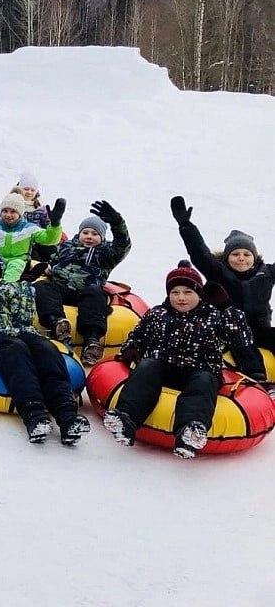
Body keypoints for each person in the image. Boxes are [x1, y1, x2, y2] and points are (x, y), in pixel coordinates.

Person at [102, 261, 257, 458]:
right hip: (163, 367)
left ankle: (189, 431)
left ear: (199, 294)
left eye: (188, 292)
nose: (181, 298)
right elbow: (137, 335)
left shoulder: (213, 316)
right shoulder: (158, 314)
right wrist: (131, 348)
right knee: (147, 367)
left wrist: (226, 306)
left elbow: (242, 339)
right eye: (175, 292)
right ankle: (127, 418)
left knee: (203, 382)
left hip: (200, 369)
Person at [0, 251, 90, 445]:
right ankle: (35, 415)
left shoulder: (8, 290)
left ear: (0, 276)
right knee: (16, 351)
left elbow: (24, 318)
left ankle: (67, 416)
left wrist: (26, 289)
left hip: (21, 331)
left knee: (46, 349)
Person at [171, 196, 275, 382]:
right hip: (227, 329)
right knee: (241, 342)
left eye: (246, 254)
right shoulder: (218, 271)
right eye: (235, 254)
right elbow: (199, 252)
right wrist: (186, 225)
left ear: (254, 257)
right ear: (227, 257)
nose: (241, 258)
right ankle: (258, 379)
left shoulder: (266, 273)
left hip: (259, 329)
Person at [34, 201, 131, 365]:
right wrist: (48, 269)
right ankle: (57, 322)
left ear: (102, 237)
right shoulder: (66, 247)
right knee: (43, 287)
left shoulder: (105, 253)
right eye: (85, 232)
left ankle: (91, 339)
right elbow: (54, 261)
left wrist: (117, 222)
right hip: (62, 287)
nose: (89, 236)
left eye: (95, 234)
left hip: (86, 291)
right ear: (79, 234)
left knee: (95, 294)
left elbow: (123, 246)